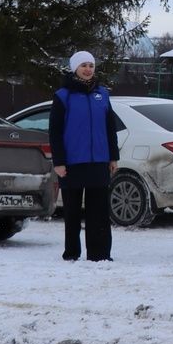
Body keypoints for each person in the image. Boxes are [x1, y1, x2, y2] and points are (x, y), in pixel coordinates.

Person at [49, 51, 119, 262]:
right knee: (72, 210)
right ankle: (72, 252)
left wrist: (112, 157)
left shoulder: (102, 95)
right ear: (74, 68)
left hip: (98, 160)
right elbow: (55, 131)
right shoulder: (63, 96)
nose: (88, 69)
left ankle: (100, 254)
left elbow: (110, 128)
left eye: (91, 65)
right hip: (72, 162)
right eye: (83, 66)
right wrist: (59, 161)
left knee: (98, 211)